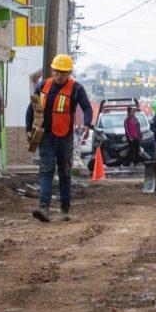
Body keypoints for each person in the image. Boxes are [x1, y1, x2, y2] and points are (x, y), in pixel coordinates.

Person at [24, 54, 93, 223]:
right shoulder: (42, 86)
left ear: (69, 72)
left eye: (63, 72)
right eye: (56, 71)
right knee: (46, 169)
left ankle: (64, 208)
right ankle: (44, 207)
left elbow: (87, 108)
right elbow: (31, 108)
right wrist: (28, 129)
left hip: (64, 137)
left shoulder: (76, 89)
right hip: (45, 135)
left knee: (64, 172)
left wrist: (87, 125)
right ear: (52, 70)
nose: (58, 75)